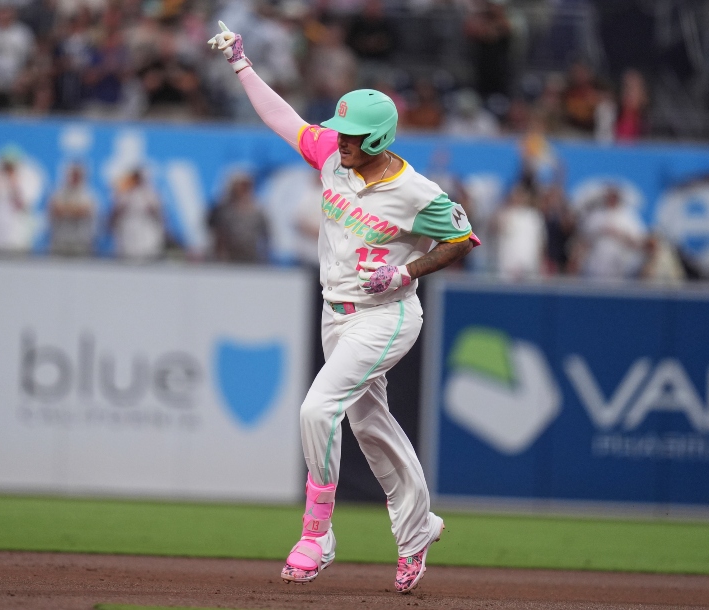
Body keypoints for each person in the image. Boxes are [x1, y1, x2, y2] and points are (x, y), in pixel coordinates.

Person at [209, 21, 478, 593]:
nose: (341, 139)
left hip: (388, 315)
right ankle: (416, 530)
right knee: (370, 423)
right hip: (338, 313)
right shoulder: (334, 155)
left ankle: (317, 532)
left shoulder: (419, 193)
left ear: (378, 139)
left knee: (317, 410)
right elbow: (287, 121)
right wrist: (241, 64)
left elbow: (461, 238)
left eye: (353, 134)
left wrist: (405, 270)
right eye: (341, 131)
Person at [575, 185, 646, 280]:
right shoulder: (596, 215)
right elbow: (583, 238)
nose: (611, 199)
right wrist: (601, 231)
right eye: (609, 196)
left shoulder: (628, 217)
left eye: (614, 197)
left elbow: (638, 241)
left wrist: (619, 234)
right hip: (595, 265)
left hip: (619, 267)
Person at [207, 172, 270, 264]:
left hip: (251, 257)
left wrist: (264, 257)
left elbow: (265, 235)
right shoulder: (221, 210)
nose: (243, 189)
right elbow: (216, 233)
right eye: (240, 185)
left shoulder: (257, 211)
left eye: (246, 186)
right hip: (227, 258)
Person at [108, 169, 165, 261]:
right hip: (128, 231)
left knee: (147, 254)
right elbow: (115, 213)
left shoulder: (150, 193)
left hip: (146, 231)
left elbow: (158, 213)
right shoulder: (124, 193)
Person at [48, 163, 98, 257]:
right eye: (72, 175)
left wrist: (66, 208)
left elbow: (83, 211)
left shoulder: (89, 194)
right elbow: (55, 210)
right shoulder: (59, 192)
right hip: (61, 241)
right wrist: (74, 209)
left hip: (81, 242)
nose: (74, 178)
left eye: (77, 176)